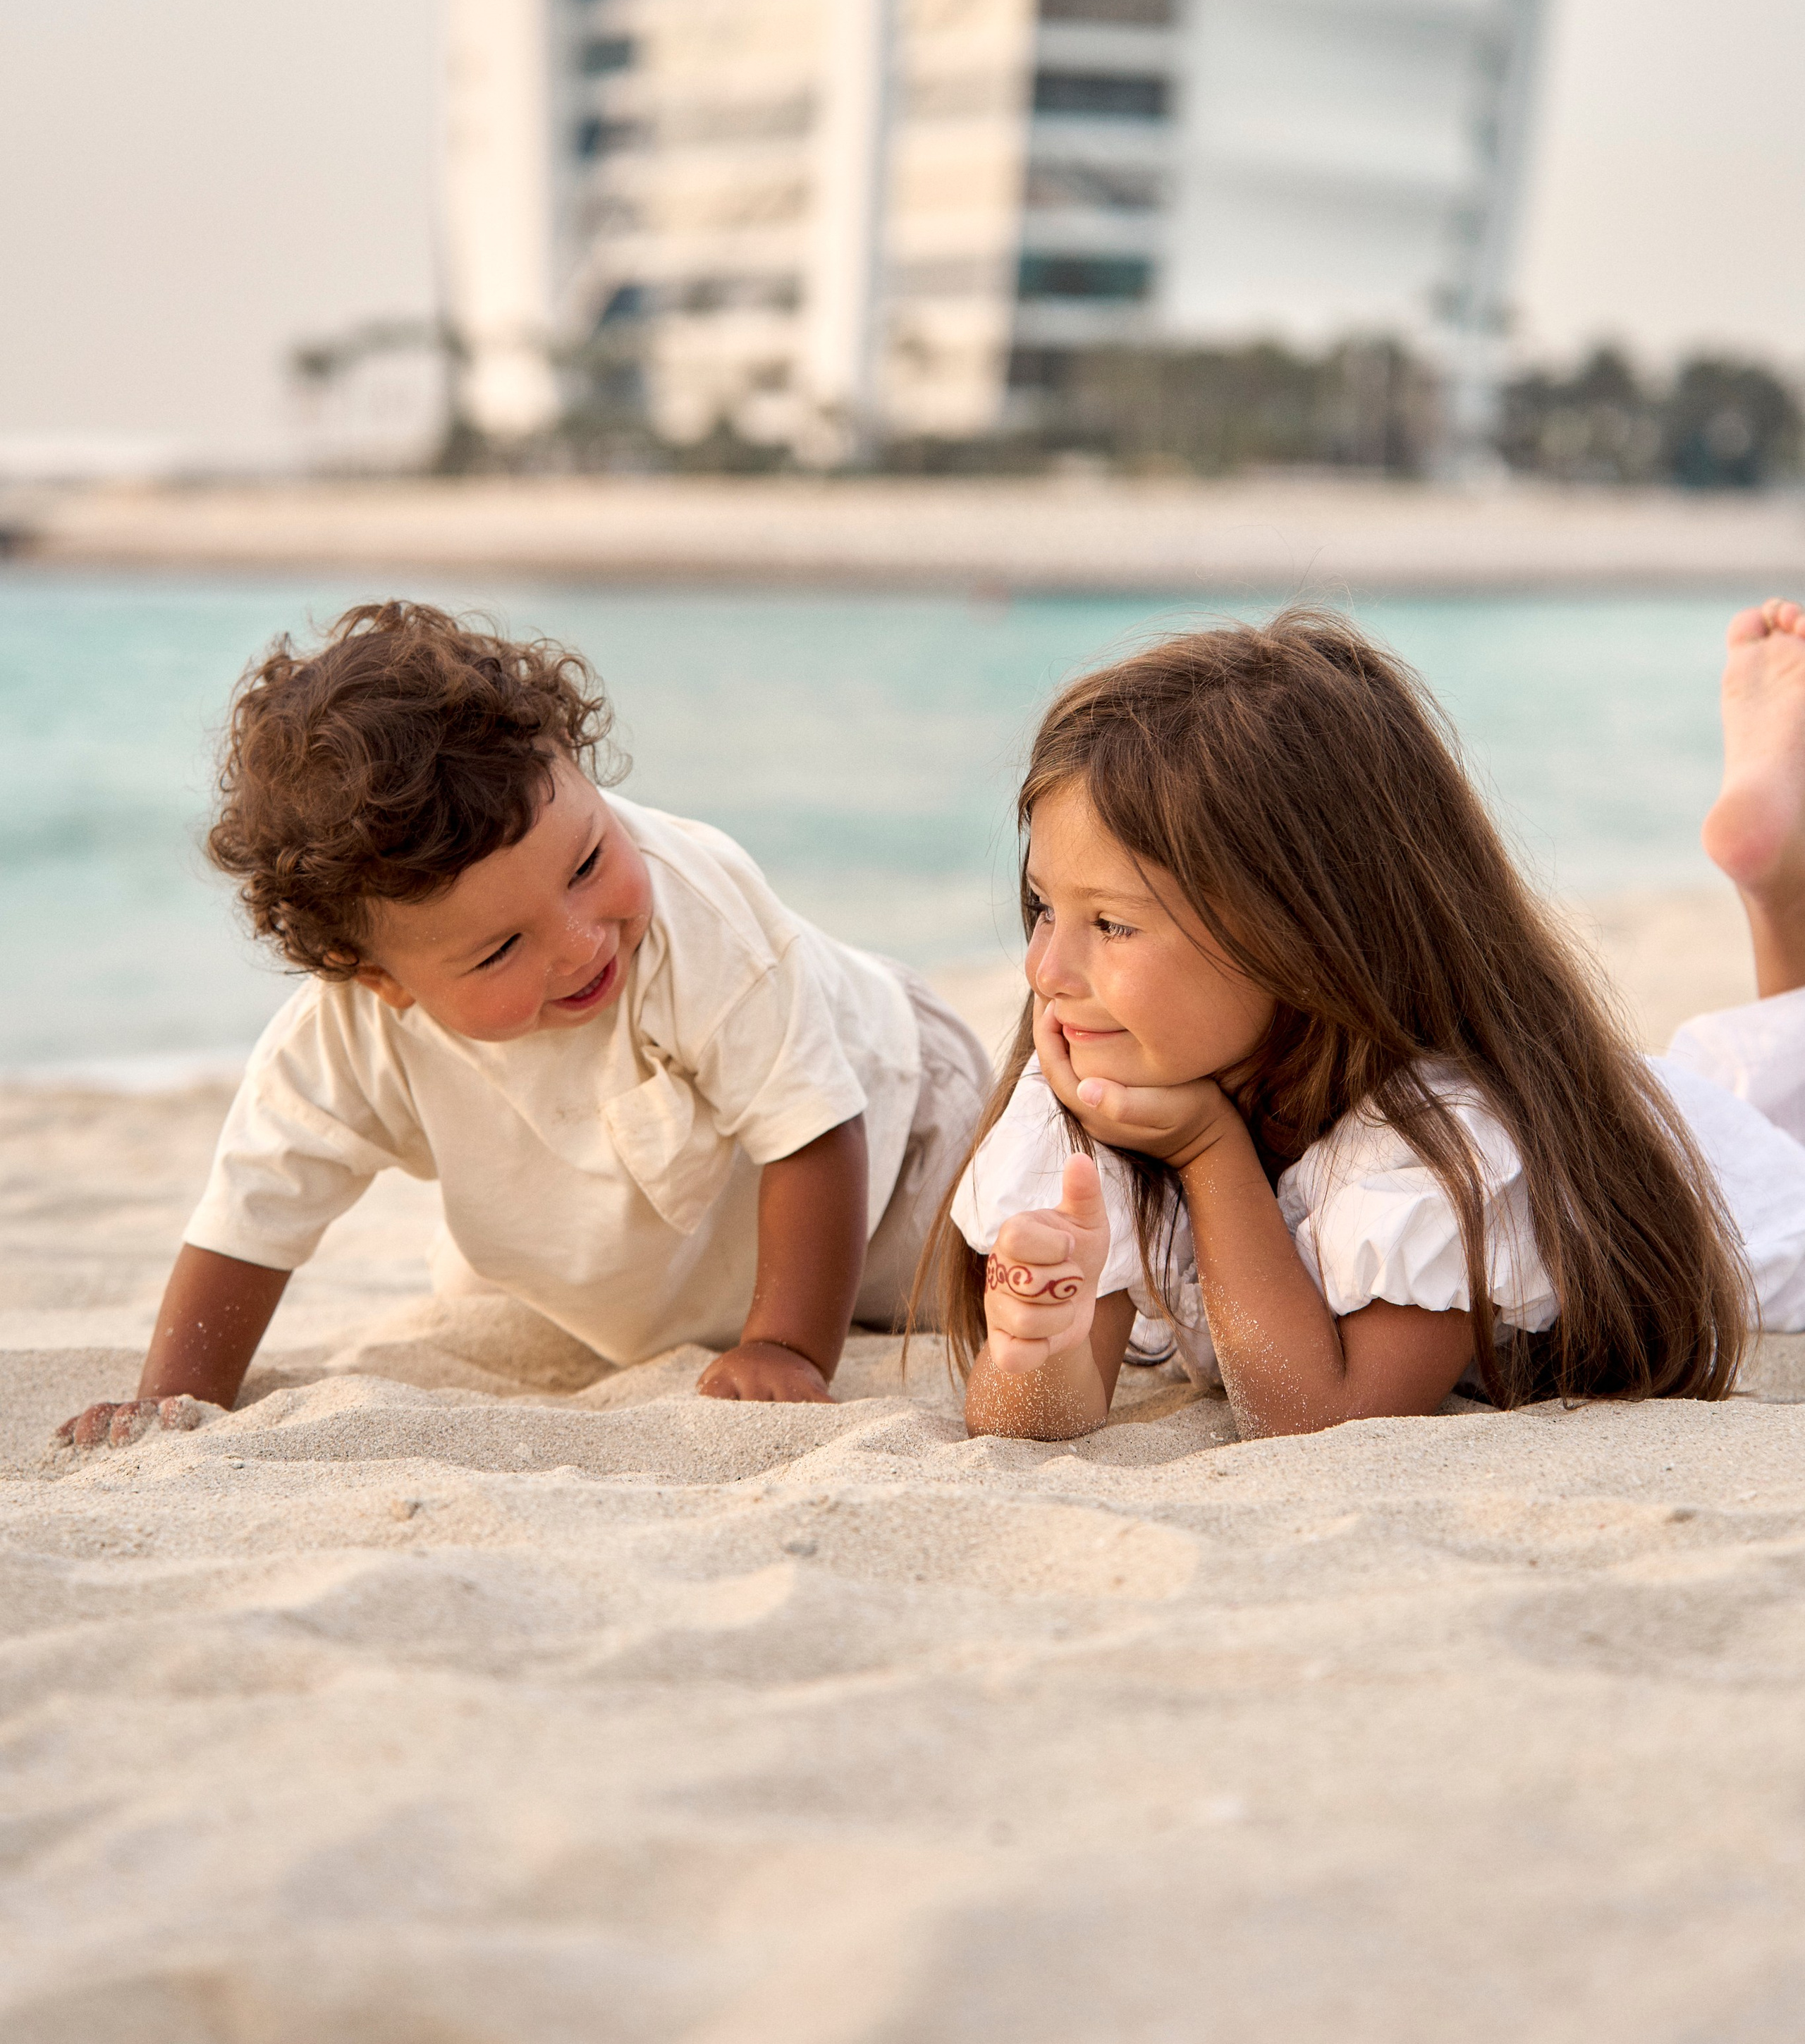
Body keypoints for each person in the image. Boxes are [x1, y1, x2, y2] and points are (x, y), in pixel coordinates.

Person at [61, 602, 989, 1448]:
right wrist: (178, 1395)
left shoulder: (695, 915)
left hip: (895, 1137)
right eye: (502, 949)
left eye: (587, 862)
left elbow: (815, 1128)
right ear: (381, 978)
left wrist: (787, 1347)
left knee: (990, 1280)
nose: (584, 943)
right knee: (500, 1272)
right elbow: (251, 1213)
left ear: (580, 771)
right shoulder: (347, 1034)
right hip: (691, 1223)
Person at [916, 601, 1805, 1443]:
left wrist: (1205, 1150)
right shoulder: (1106, 1080)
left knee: (1776, 1104)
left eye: (1110, 924)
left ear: (1301, 937)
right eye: (1041, 907)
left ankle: (1779, 883)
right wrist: (1038, 1343)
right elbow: (1041, 1414)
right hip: (1652, 1097)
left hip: (1737, 1182)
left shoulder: (1438, 1135)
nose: (1044, 971)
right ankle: (1777, 875)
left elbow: (1319, 1420)